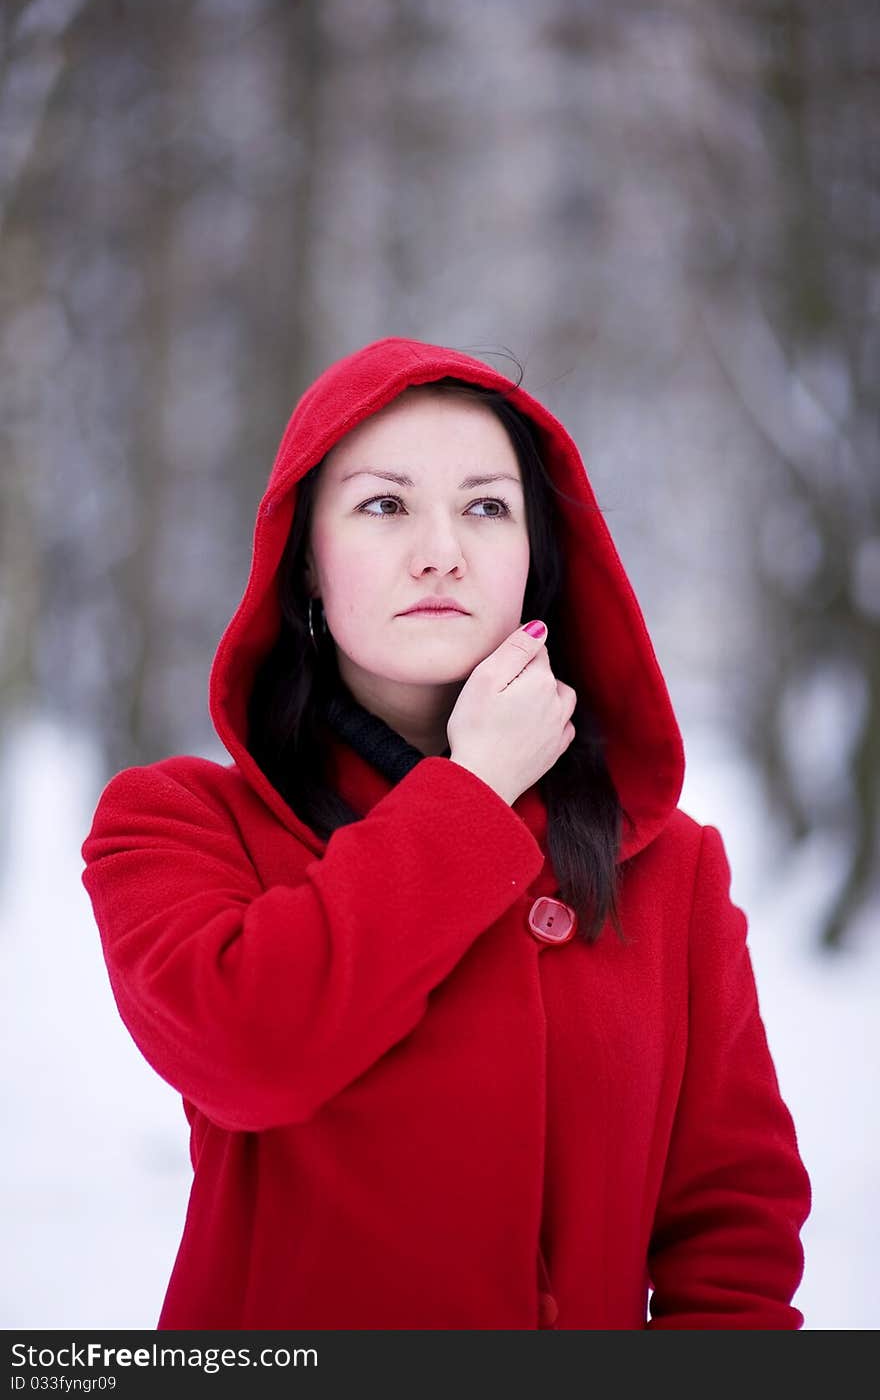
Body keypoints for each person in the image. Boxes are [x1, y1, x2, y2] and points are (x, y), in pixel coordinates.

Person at [80, 335, 811, 1330]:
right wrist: (473, 794)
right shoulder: (176, 823)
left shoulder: (668, 866)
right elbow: (251, 1054)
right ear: (304, 562)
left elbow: (732, 1240)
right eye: (384, 505)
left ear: (536, 563)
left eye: (486, 506)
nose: (442, 549)